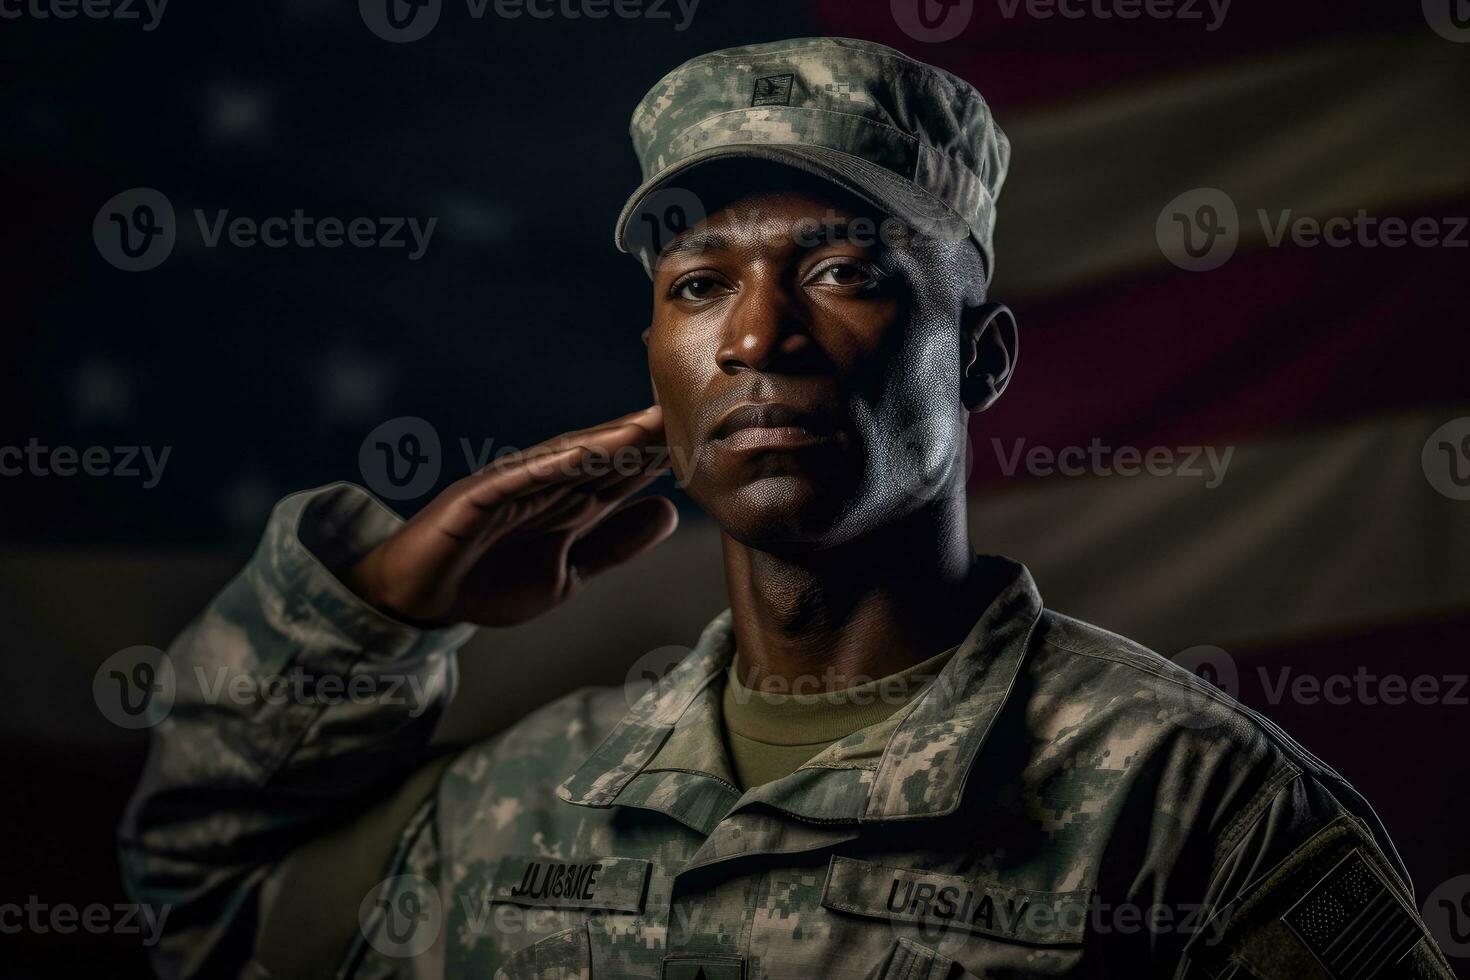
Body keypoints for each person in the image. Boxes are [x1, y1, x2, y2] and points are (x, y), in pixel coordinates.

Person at [118, 36, 1454, 980]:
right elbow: (210, 915)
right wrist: (365, 617)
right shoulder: (524, 802)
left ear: (978, 360)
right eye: (700, 285)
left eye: (840, 271)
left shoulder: (1185, 806)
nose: (759, 337)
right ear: (656, 356)